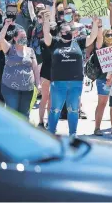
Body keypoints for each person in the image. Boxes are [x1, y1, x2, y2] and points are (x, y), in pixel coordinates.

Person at [43, 8, 101, 137]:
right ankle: (51, 133)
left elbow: (92, 37)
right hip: (58, 83)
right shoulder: (55, 43)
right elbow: (46, 35)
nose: (67, 32)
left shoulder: (78, 42)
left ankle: (73, 135)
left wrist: (95, 23)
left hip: (76, 83)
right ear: (60, 33)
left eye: (69, 30)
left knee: (74, 110)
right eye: (64, 31)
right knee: (55, 110)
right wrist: (46, 20)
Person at [0, 17, 41, 116]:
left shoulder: (30, 51)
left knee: (24, 115)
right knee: (12, 114)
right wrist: (6, 25)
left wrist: (38, 83)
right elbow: (1, 38)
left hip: (27, 89)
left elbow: (35, 68)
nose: (24, 39)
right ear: (15, 38)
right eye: (21, 37)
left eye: (25, 37)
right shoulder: (9, 49)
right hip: (10, 88)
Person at [94, 29, 112, 136]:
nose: (110, 36)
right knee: (102, 104)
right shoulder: (100, 48)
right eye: (108, 35)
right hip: (103, 79)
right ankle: (97, 128)